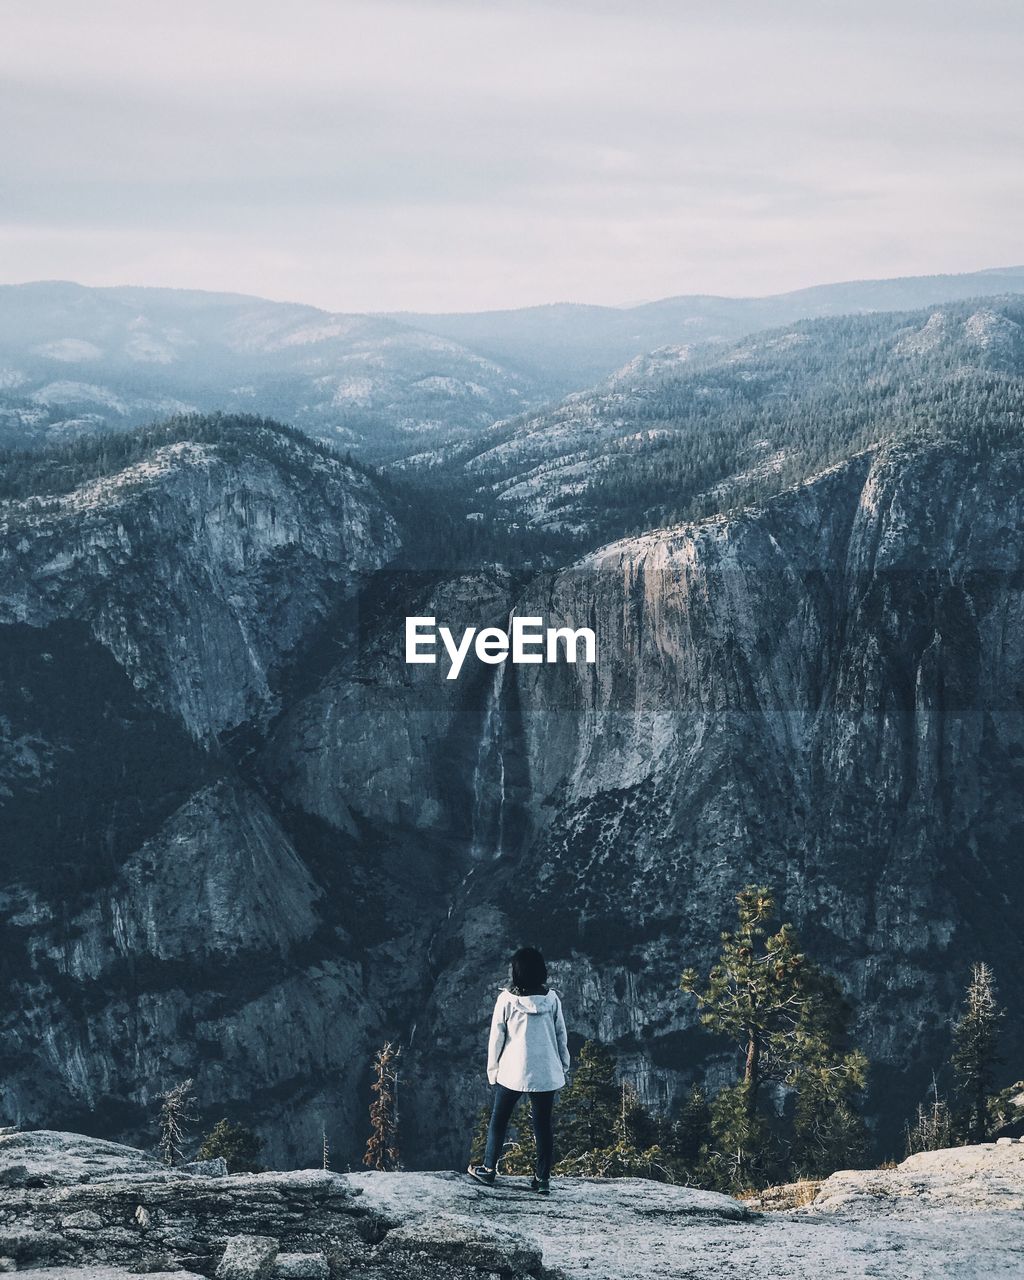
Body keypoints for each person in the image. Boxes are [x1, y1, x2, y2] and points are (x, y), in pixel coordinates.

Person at [467, 946, 570, 1195]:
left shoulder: (507, 1000)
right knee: (543, 1125)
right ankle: (542, 1178)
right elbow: (560, 1035)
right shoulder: (552, 999)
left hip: (513, 1070)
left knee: (499, 1120)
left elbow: (496, 1038)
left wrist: (493, 1069)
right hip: (545, 1071)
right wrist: (563, 1064)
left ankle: (489, 1170)